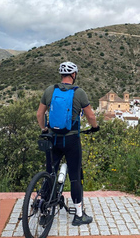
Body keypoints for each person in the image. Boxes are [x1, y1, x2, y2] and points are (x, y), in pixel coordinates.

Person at [36, 61, 99, 226]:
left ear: (61, 75)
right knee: (75, 176)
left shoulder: (50, 90)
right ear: (74, 75)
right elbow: (91, 116)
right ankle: (78, 215)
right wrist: (95, 127)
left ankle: (44, 207)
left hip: (53, 138)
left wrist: (44, 129)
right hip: (71, 140)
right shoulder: (79, 93)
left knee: (50, 172)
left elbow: (39, 114)